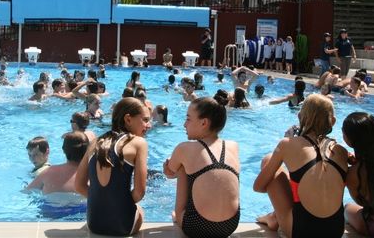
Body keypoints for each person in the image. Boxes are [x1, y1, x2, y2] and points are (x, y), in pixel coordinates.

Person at [254, 94, 348, 238]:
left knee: (268, 160)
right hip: (336, 231)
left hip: (302, 231)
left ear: (299, 116)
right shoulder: (341, 151)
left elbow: (259, 187)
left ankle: (274, 218)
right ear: (333, 121)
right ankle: (274, 216)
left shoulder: (287, 144)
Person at [163, 97, 240, 238]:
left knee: (181, 167)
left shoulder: (184, 148)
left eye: (188, 119)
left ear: (204, 122)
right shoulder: (233, 146)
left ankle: (178, 216)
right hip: (230, 225)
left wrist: (171, 165)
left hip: (197, 227)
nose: (184, 124)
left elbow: (169, 172)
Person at [75, 97, 150, 236]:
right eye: (145, 120)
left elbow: (79, 185)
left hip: (94, 224)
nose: (149, 125)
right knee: (140, 209)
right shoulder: (139, 143)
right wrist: (117, 205)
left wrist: (104, 203)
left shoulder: (94, 142)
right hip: (123, 226)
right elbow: (139, 192)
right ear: (128, 119)